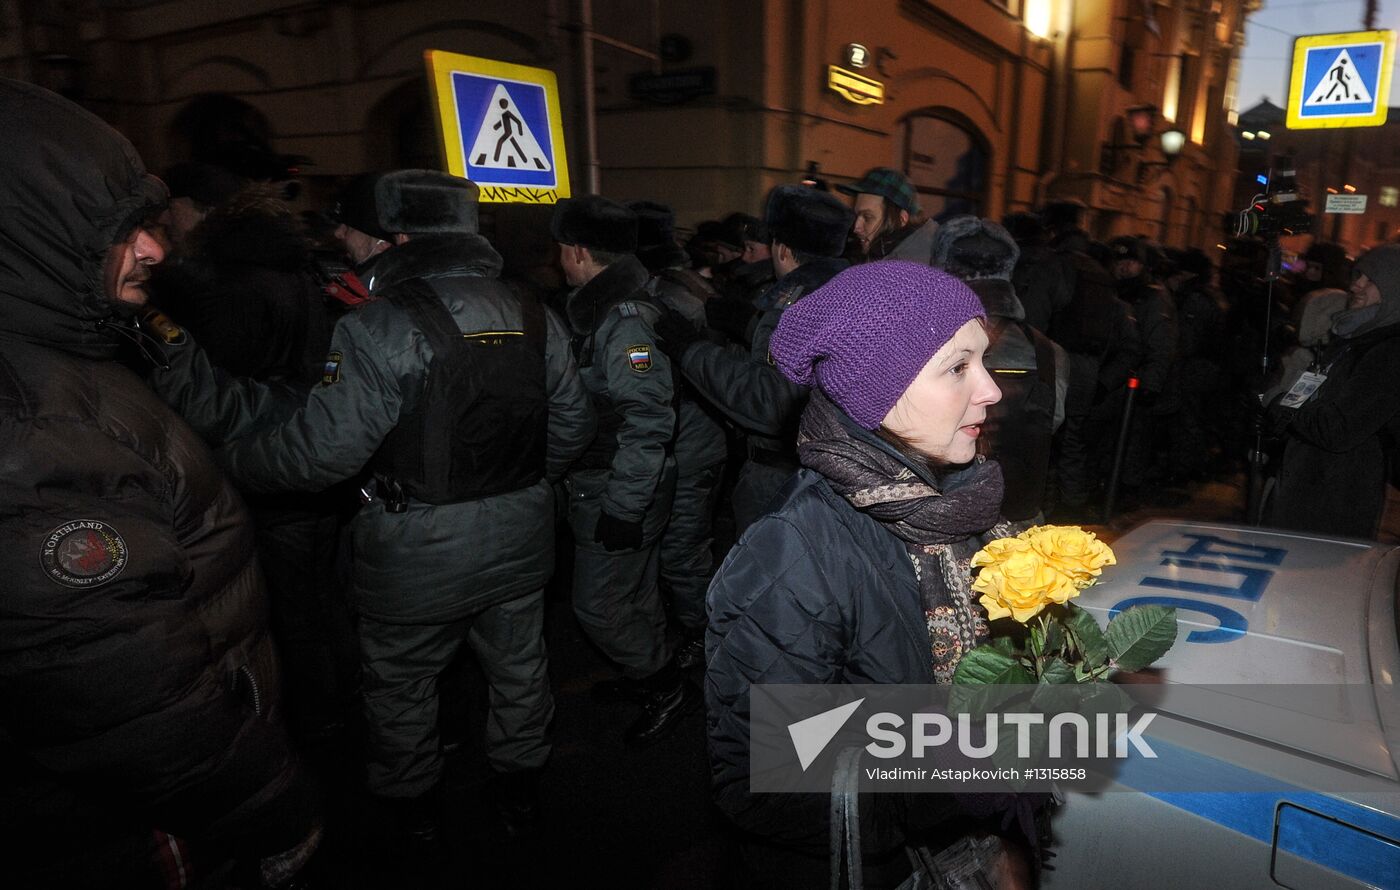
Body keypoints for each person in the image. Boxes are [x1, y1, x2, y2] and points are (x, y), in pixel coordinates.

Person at [151, 169, 594, 844]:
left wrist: (231, 465)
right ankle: (519, 788)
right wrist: (525, 484)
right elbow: (571, 424)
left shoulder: (380, 328)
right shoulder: (535, 311)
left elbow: (318, 458)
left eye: (356, 233)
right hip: (522, 534)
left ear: (401, 238)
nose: (346, 243)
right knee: (520, 666)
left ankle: (412, 805)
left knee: (401, 682)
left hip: (417, 550)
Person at [0, 76, 320, 888]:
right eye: (120, 230)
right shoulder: (36, 422)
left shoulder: (73, 355)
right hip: (131, 828)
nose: (155, 249)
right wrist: (273, 802)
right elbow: (124, 692)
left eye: (151, 223)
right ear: (30, 234)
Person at [706, 260, 1034, 886]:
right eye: (958, 367)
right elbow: (761, 777)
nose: (991, 389)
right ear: (877, 392)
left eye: (983, 361)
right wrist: (962, 781)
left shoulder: (963, 505)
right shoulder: (791, 554)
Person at [552, 195, 700, 744]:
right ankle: (654, 672)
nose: (558, 261)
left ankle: (665, 685)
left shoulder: (624, 321)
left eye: (563, 251)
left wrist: (623, 506)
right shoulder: (605, 311)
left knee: (598, 608)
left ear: (581, 252)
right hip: (620, 481)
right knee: (635, 594)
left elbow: (647, 421)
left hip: (620, 484)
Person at [655, 184, 853, 532]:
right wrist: (751, 325)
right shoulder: (850, 291)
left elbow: (770, 401)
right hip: (832, 471)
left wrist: (690, 350)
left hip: (783, 478)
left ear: (783, 249)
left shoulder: (796, 306)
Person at [629, 200, 730, 669]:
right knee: (684, 546)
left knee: (682, 550)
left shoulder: (666, 296)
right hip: (701, 434)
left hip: (690, 437)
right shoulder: (693, 283)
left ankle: (707, 645)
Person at [931, 216, 1069, 522]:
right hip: (1020, 530)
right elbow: (1052, 425)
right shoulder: (1050, 352)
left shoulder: (926, 346)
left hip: (939, 527)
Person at [1268, 244, 1400, 538]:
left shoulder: (1389, 352)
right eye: (1357, 275)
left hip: (1334, 503)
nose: (1356, 285)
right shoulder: (1352, 335)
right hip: (1307, 486)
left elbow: (1339, 429)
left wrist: (1282, 406)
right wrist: (1275, 409)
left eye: (1370, 279)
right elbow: (1314, 392)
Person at [836, 166, 938, 261]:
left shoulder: (906, 270)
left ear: (902, 219)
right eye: (856, 216)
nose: (856, 228)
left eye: (867, 217)